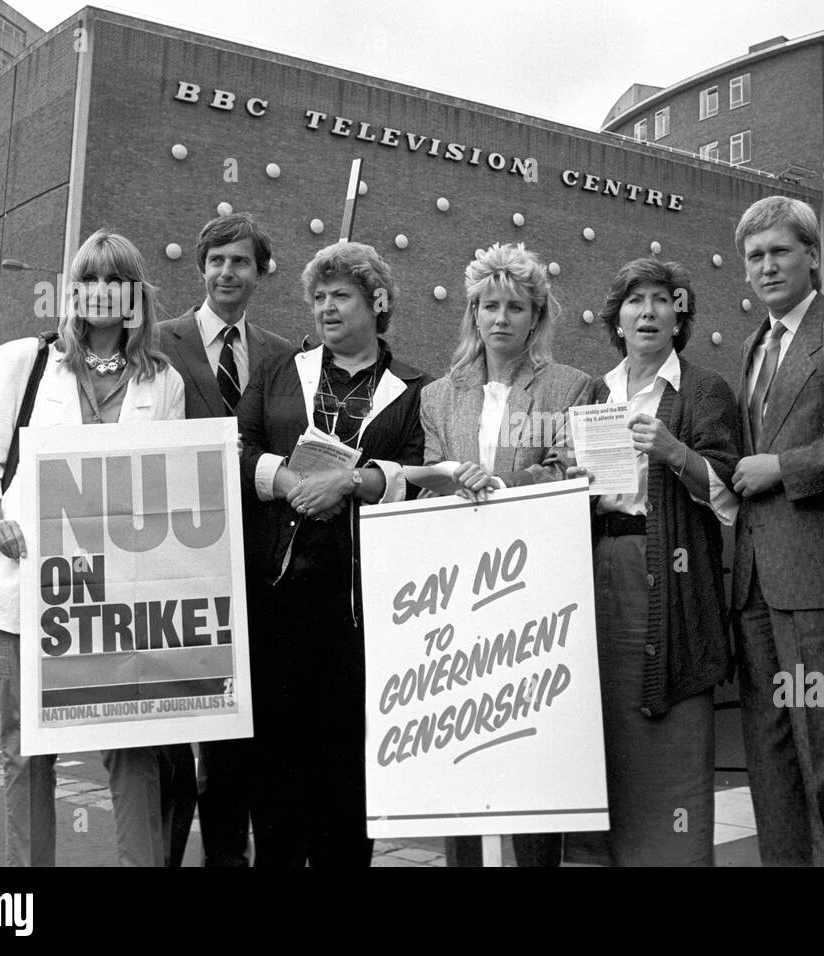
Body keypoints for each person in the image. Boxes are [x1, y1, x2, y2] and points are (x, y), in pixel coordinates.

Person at [0, 230, 187, 866]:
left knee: (133, 748)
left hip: (120, 595)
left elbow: (166, 484)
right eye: (87, 280)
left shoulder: (162, 381)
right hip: (29, 587)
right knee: (27, 750)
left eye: (113, 281)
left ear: (133, 296)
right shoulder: (23, 361)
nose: (99, 293)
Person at [237, 240, 429, 867]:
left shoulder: (413, 391)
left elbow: (421, 472)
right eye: (318, 297)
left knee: (349, 760)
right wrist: (288, 482)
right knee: (276, 757)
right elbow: (235, 450)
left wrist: (355, 481)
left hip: (361, 609)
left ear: (378, 303)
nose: (325, 307)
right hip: (277, 596)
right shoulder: (278, 372)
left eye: (340, 295)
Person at [420, 242, 591, 867]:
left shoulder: (573, 386)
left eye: (515, 307)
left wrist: (503, 486)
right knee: (462, 742)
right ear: (472, 314)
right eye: (488, 306)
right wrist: (446, 477)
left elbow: (573, 472)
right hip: (457, 597)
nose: (500, 318)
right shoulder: (437, 395)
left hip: (533, 590)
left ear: (536, 316)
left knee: (528, 747)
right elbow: (428, 476)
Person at [729, 196, 824, 866]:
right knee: (772, 749)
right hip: (754, 579)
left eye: (780, 251)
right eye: (755, 256)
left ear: (813, 254)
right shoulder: (752, 345)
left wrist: (783, 468)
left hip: (819, 573)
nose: (766, 267)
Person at [590, 257, 740, 866]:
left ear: (679, 318)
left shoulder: (704, 390)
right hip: (604, 575)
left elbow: (729, 492)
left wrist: (676, 452)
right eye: (634, 301)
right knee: (609, 734)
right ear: (617, 320)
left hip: (673, 582)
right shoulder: (595, 392)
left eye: (660, 300)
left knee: (673, 728)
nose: (647, 312)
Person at [159, 213, 292, 867]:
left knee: (250, 733)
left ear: (258, 272)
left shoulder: (281, 354)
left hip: (259, 572)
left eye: (240, 262)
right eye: (216, 260)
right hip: (182, 565)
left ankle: (246, 855)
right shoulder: (158, 343)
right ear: (201, 267)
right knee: (189, 734)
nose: (226, 273)